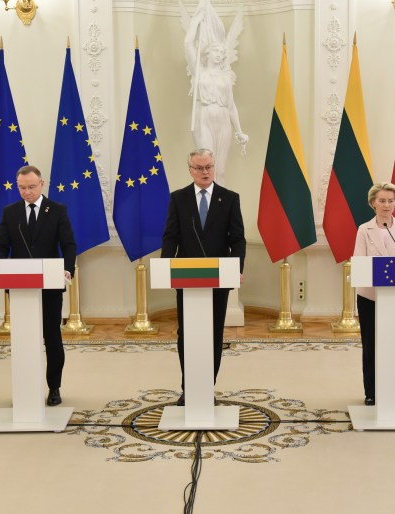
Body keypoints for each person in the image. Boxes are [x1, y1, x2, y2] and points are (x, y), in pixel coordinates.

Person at [161, 149, 246, 405]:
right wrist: (167, 266)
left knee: (214, 333)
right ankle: (189, 387)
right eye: (199, 168)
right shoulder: (179, 198)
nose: (205, 172)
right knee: (185, 333)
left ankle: (207, 386)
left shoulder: (229, 198)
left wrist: (237, 268)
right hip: (186, 279)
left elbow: (238, 239)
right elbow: (171, 236)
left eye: (209, 166)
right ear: (190, 170)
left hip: (219, 280)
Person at [0, 166, 76, 407]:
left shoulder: (57, 210)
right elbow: (0, 246)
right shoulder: (10, 213)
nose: (26, 192)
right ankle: (26, 387)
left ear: (42, 184)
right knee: (24, 339)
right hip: (20, 287)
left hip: (49, 285)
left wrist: (67, 269)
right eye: (21, 188)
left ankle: (54, 387)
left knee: (52, 338)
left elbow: (68, 244)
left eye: (31, 187)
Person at [353, 182, 395, 406]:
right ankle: (371, 392)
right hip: (370, 295)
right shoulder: (364, 229)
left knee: (394, 343)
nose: (386, 205)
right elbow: (359, 262)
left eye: (390, 201)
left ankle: (393, 389)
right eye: (382, 200)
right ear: (373, 203)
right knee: (371, 343)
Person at [184, 4, 248, 186]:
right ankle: (204, 206)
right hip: (204, 117)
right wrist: (196, 21)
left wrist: (239, 131)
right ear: (207, 52)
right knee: (205, 165)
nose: (219, 54)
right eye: (216, 51)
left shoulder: (226, 77)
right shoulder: (199, 72)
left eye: (222, 52)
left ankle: (219, 210)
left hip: (223, 121)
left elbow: (231, 106)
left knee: (219, 169)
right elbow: (188, 43)